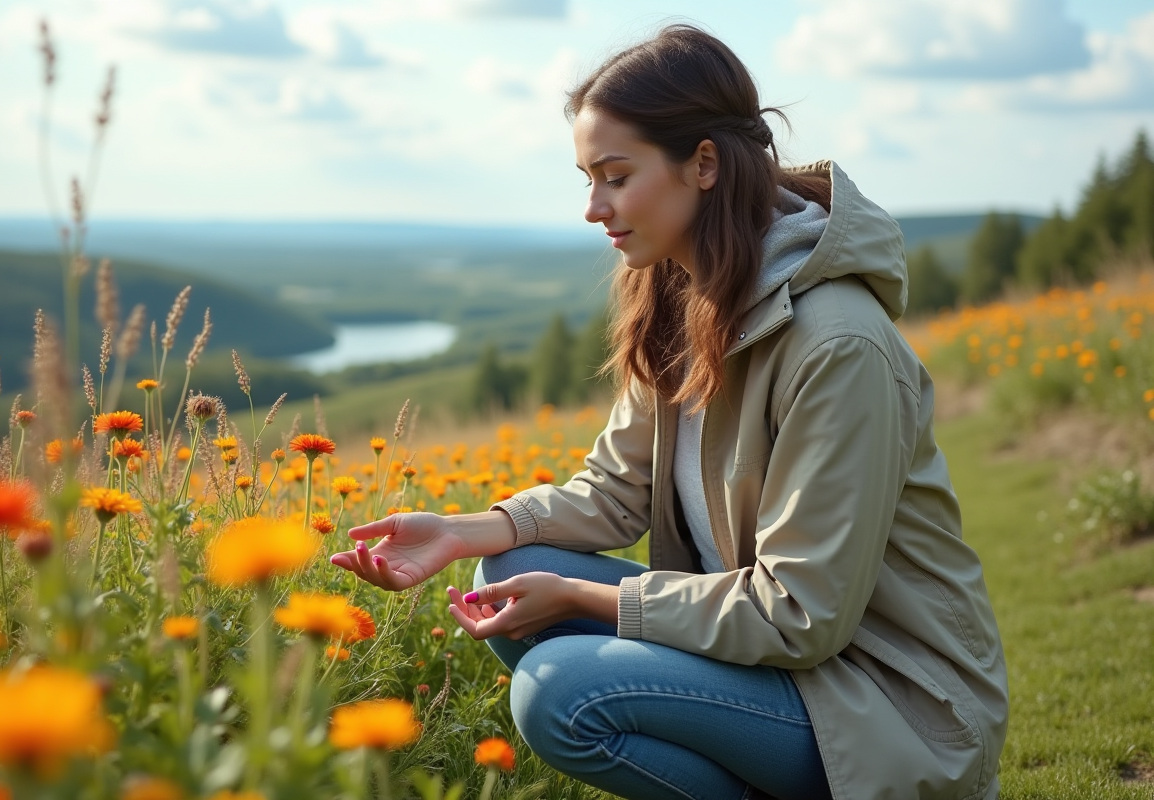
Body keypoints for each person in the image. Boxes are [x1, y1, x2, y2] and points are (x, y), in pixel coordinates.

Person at [331, 24, 1008, 800]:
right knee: (510, 567)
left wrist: (588, 600)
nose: (594, 208)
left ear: (705, 164)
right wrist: (460, 531)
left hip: (886, 707)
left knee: (562, 693)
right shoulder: (683, 298)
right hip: (782, 674)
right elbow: (614, 492)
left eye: (615, 176)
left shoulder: (837, 344)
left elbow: (799, 613)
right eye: (587, 179)